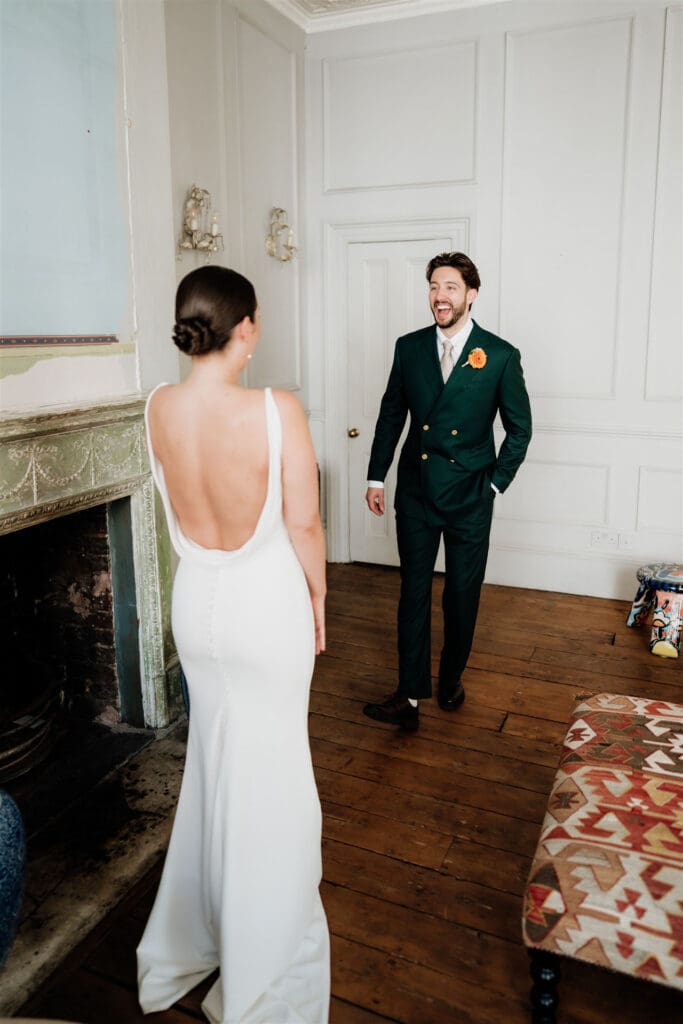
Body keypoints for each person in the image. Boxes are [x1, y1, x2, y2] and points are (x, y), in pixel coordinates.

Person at [137, 266, 330, 1023]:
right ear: (243, 327)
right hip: (264, 607)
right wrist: (318, 598)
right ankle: (261, 951)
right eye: (258, 321)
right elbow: (305, 525)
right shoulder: (275, 408)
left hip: (199, 608)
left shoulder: (157, 406)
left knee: (216, 767)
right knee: (275, 772)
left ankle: (199, 929)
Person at [363, 252, 532, 732]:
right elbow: (392, 414)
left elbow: (520, 429)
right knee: (412, 592)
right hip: (415, 491)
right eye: (435, 286)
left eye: (451, 287)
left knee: (460, 595)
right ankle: (409, 695)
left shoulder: (498, 355)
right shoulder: (409, 347)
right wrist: (377, 476)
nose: (441, 295)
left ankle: (451, 678)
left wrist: (495, 484)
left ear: (471, 294)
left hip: (469, 495)